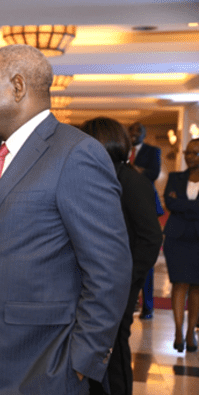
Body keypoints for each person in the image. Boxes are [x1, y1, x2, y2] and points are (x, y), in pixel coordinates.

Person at [0, 45, 131, 394]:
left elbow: (109, 271)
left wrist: (79, 364)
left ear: (18, 87)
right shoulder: (0, 157)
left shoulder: (76, 154)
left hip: (43, 369)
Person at [80, 117, 162, 395]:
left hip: (118, 287)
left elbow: (150, 238)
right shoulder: (94, 175)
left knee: (113, 356)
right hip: (93, 285)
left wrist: (127, 280)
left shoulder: (131, 180)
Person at [162, 138, 199, 353]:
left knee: (196, 288)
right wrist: (192, 207)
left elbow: (178, 204)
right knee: (179, 284)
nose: (189, 156)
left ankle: (190, 333)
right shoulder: (175, 177)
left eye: (195, 153)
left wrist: (182, 206)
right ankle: (177, 331)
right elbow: (170, 203)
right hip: (177, 239)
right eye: (188, 152)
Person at [128, 121, 163, 319]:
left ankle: (147, 305)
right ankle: (131, 301)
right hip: (125, 205)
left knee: (146, 257)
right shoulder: (123, 149)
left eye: (138, 131)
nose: (134, 134)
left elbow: (154, 173)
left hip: (147, 204)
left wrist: (137, 170)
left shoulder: (153, 151)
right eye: (131, 131)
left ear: (144, 133)